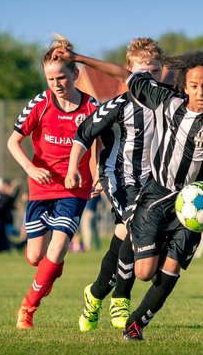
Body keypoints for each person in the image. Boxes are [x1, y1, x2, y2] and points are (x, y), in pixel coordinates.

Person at [55, 46, 203, 341]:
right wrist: (79, 59)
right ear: (183, 85)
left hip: (196, 206)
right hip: (156, 197)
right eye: (194, 85)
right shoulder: (167, 100)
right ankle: (113, 282)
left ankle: (135, 325)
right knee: (144, 272)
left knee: (171, 269)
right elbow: (124, 74)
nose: (201, 92)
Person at [57, 37, 166, 332]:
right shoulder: (119, 105)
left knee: (123, 238)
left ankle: (94, 295)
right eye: (142, 73)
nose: (149, 79)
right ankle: (121, 297)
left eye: (155, 72)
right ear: (129, 72)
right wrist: (73, 169)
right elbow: (84, 133)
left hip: (154, 185)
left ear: (163, 72)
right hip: (121, 180)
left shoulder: (170, 102)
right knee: (136, 228)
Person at [7, 35, 98, 330]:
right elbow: (13, 142)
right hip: (41, 185)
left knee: (57, 249)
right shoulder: (41, 103)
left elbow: (100, 145)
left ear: (75, 74)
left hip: (74, 188)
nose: (57, 83)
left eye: (62, 76)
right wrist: (31, 168)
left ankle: (27, 308)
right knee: (37, 257)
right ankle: (48, 270)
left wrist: (96, 175)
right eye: (50, 78)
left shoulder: (91, 108)